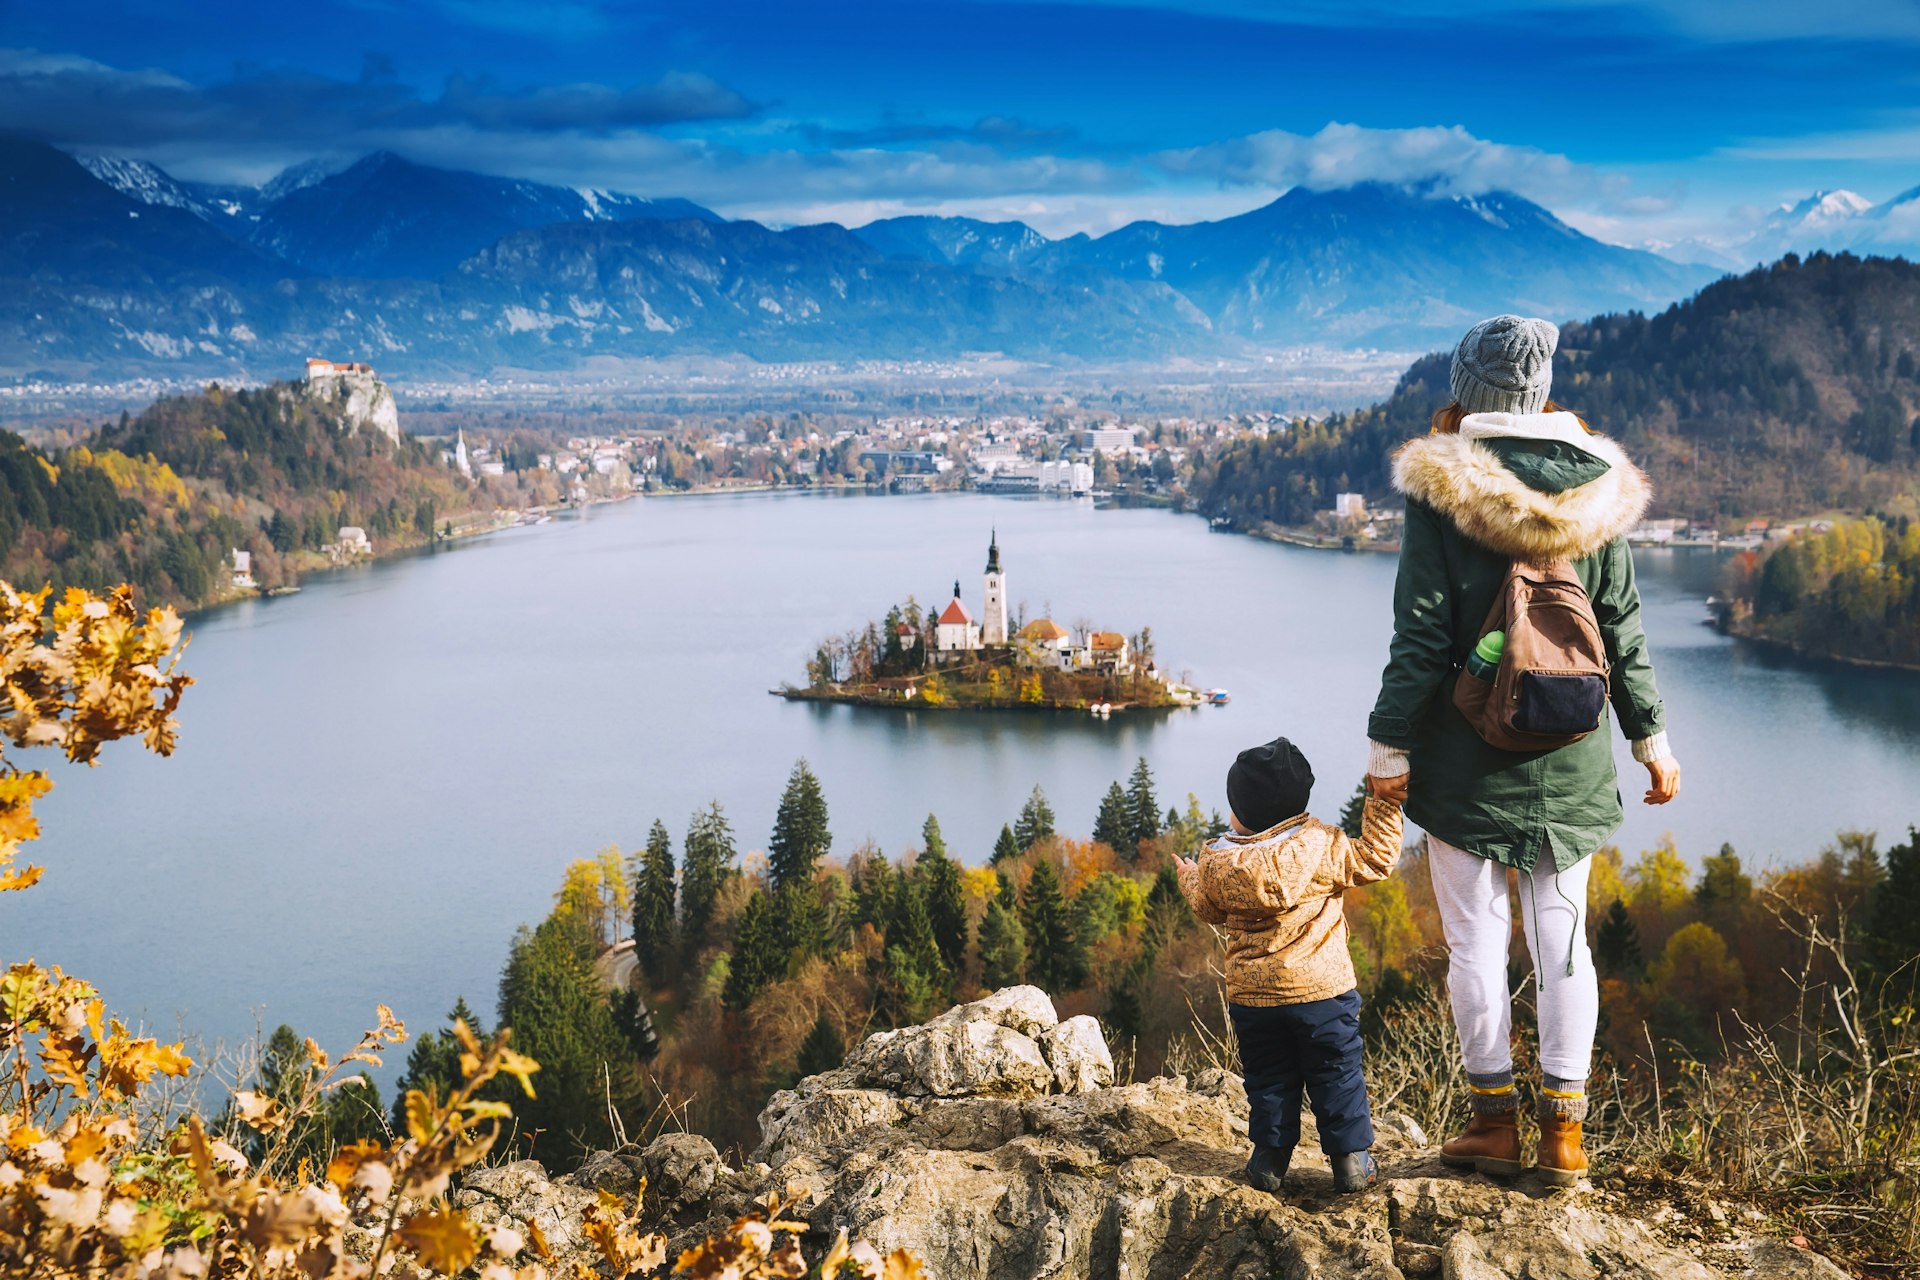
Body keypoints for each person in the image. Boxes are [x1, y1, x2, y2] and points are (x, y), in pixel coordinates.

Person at [1365, 314, 1681, 1187]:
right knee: (1564, 943)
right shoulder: (1599, 487)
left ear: (1468, 387)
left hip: (1466, 758)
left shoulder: (1442, 488)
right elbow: (1617, 625)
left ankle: (1493, 1123)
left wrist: (1389, 750)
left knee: (1476, 946)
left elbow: (1422, 640)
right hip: (1572, 753)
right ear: (1542, 391)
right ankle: (1565, 1139)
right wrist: (1650, 736)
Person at [1175, 736, 1404, 1195]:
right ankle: (1352, 1161)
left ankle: (1269, 1160)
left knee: (1269, 1078)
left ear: (1240, 809)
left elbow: (1208, 907)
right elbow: (1378, 859)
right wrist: (1382, 802)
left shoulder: (1220, 861)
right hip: (1323, 994)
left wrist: (1187, 876)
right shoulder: (1321, 846)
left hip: (1253, 998)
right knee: (1336, 1073)